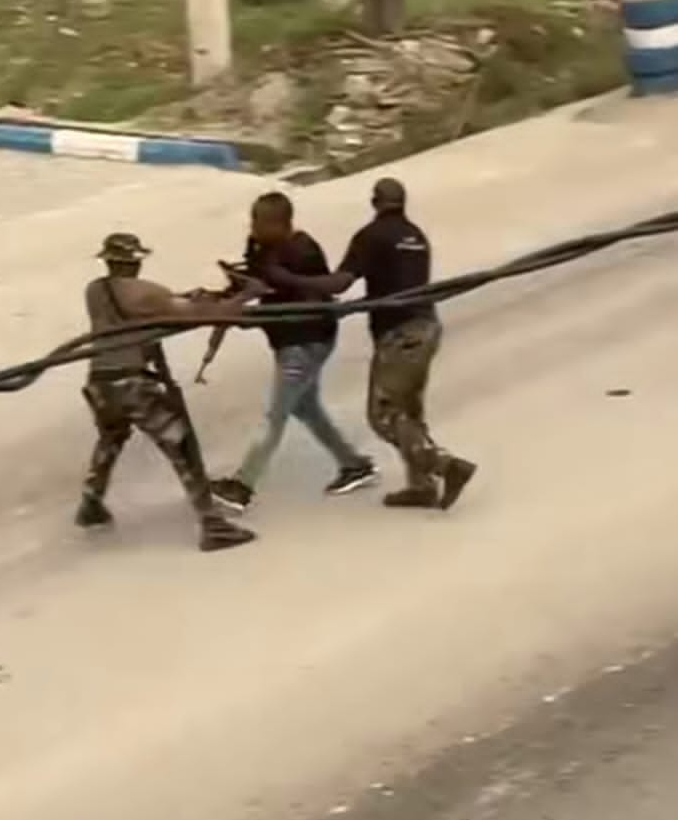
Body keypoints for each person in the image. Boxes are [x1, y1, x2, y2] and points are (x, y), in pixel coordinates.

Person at [261, 179, 477, 509]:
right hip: (427, 326)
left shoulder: (371, 236)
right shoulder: (416, 236)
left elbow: (339, 282)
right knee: (409, 412)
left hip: (399, 333)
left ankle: (445, 466)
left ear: (375, 202)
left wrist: (287, 279)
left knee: (384, 415)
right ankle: (421, 487)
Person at [76, 232, 256, 552]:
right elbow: (198, 313)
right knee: (182, 445)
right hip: (131, 383)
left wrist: (190, 298)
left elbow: (156, 309)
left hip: (100, 383)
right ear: (135, 262)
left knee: (111, 437)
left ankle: (91, 502)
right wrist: (243, 296)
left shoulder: (95, 290)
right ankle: (212, 524)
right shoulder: (146, 292)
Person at [212, 192, 375, 512]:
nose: (253, 227)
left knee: (276, 415)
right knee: (306, 408)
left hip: (305, 342)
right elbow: (259, 283)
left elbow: (309, 301)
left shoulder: (302, 251)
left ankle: (243, 485)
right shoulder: (263, 247)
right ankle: (354, 465)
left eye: (260, 221)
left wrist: (254, 308)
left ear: (280, 223)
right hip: (289, 340)